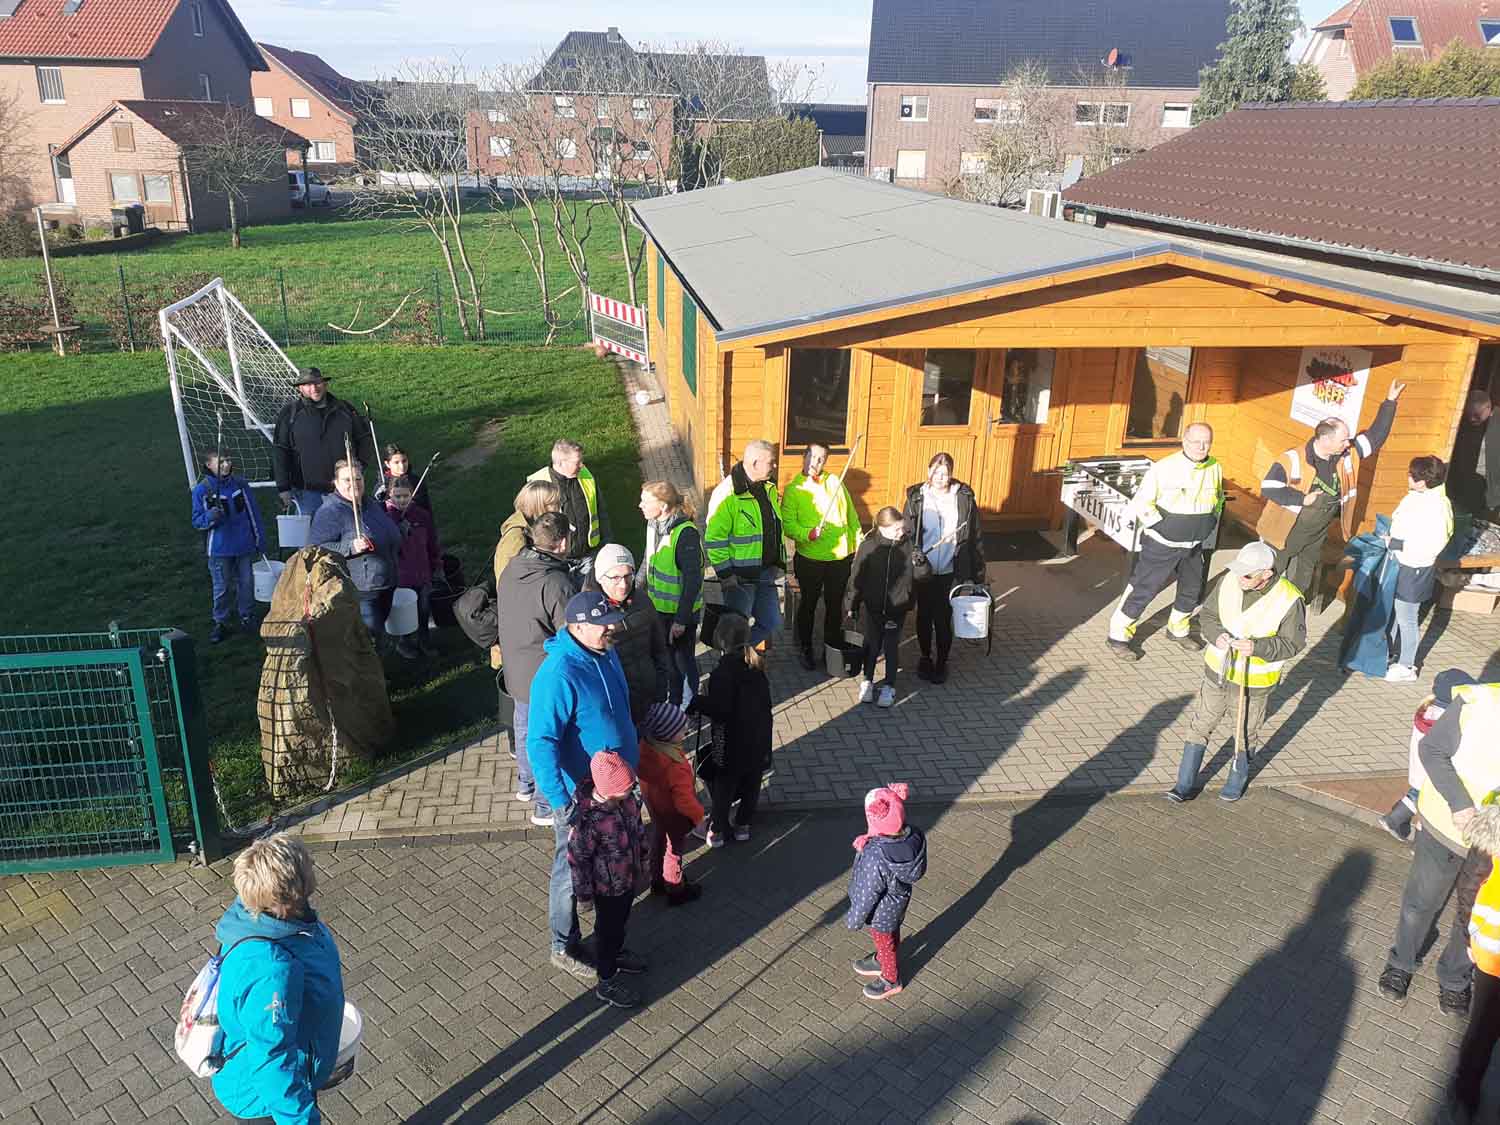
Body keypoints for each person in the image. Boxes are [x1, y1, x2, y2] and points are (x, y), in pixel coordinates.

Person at [528, 591, 642, 982]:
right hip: (581, 798)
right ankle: (564, 944)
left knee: (612, 868)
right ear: (576, 627)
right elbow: (539, 742)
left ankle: (607, 942)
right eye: (602, 622)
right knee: (569, 868)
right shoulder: (558, 673)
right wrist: (563, 804)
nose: (611, 627)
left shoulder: (604, 650)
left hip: (616, 789)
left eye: (611, 618)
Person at [1378, 677, 1500, 1016]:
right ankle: (1401, 962)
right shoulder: (1478, 703)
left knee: (1474, 915)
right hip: (1446, 825)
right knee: (1420, 904)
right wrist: (1460, 804)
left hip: (1494, 847)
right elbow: (1431, 749)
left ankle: (1455, 980)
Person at [209, 832, 344, 1125]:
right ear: (289, 894)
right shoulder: (272, 971)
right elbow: (271, 1061)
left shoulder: (269, 918)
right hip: (267, 1102)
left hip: (291, 1078)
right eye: (306, 865)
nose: (312, 867)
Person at [1165, 541, 1306, 805]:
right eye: (1239, 570)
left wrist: (1258, 647)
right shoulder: (1230, 581)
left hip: (1253, 682)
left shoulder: (1289, 598)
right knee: (1200, 724)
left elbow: (1294, 644)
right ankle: (1183, 785)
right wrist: (1215, 635)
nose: (1240, 577)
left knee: (1244, 732)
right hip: (1217, 670)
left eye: (1248, 574)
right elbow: (1208, 615)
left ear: (1266, 573)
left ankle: (1236, 782)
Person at [1257, 380, 1405, 594]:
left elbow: (1375, 438)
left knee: (1299, 585)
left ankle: (1291, 619)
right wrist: (1301, 499)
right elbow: (1269, 487)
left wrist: (1390, 402)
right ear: (1325, 440)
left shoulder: (1346, 455)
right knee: (1268, 579)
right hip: (1284, 532)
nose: (1348, 443)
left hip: (1316, 534)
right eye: (1344, 439)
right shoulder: (1293, 458)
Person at [1106, 423, 1224, 661]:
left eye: (1206, 442)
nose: (1201, 447)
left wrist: (1211, 521)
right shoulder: (1165, 468)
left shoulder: (1215, 467)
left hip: (1194, 544)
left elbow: (1218, 498)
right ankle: (1118, 637)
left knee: (1191, 589)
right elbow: (1142, 503)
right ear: (1184, 441)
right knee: (1143, 589)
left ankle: (1178, 630)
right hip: (1162, 543)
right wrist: (1164, 528)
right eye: (1195, 441)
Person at [495, 511, 578, 826]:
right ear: (561, 543)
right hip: (544, 675)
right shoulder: (555, 582)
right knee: (547, 739)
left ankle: (525, 785)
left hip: (516, 667)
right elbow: (571, 634)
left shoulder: (514, 567)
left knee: (524, 726)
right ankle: (545, 806)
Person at [567, 750, 651, 1009]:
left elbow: (638, 831)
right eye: (627, 787)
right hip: (606, 888)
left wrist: (645, 861)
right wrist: (584, 896)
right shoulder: (588, 821)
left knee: (621, 922)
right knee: (608, 931)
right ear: (610, 790)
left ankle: (616, 952)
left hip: (627, 879)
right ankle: (606, 979)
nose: (633, 790)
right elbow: (577, 861)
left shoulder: (627, 803)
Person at [690, 613, 772, 848]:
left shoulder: (721, 674)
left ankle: (717, 830)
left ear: (720, 641)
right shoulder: (757, 667)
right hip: (758, 740)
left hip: (729, 744)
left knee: (724, 786)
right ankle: (743, 825)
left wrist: (697, 702)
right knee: (752, 783)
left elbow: (720, 710)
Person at [902, 452, 983, 684]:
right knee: (924, 616)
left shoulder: (963, 498)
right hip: (924, 570)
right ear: (929, 471)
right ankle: (925, 656)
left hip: (950, 569)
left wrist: (976, 575)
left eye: (944, 473)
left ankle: (942, 661)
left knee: (943, 618)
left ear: (951, 474)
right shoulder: (916, 497)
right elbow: (906, 533)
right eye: (936, 472)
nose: (940, 477)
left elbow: (975, 537)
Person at [845, 783, 927, 1001]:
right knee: (892, 933)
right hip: (898, 901)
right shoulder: (913, 836)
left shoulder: (875, 854)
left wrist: (854, 919)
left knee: (884, 940)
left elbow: (868, 892)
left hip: (881, 911)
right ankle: (882, 958)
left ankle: (891, 979)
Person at [782, 443, 860, 672]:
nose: (816, 463)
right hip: (811, 558)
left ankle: (831, 648)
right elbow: (788, 525)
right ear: (804, 456)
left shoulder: (835, 482)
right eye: (812, 457)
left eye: (821, 459)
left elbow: (852, 515)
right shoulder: (794, 489)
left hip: (839, 558)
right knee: (808, 604)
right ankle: (805, 647)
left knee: (834, 605)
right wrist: (807, 534)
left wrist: (858, 543)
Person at [308, 457, 401, 642]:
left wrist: (399, 532)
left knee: (378, 633)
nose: (354, 484)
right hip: (362, 589)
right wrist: (350, 547)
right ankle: (370, 670)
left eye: (358, 478)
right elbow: (316, 547)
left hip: (386, 582)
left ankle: (377, 666)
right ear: (335, 483)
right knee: (369, 639)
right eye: (347, 480)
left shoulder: (369, 504)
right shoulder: (330, 511)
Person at [1379, 670, 1476, 843]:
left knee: (1417, 795)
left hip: (1420, 770)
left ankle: (1396, 820)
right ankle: (1399, 823)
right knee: (1428, 806)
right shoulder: (1448, 721)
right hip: (1433, 774)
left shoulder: (1427, 711)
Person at [706, 439, 785, 648]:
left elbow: (773, 527)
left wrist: (778, 561)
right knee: (735, 628)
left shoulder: (767, 487)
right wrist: (725, 574)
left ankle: (739, 655)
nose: (775, 466)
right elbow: (714, 541)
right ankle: (732, 666)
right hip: (739, 578)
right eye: (772, 462)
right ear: (755, 463)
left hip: (766, 572)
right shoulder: (727, 494)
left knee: (771, 622)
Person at [1384, 455, 1455, 682]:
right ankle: (1390, 653)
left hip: (1415, 567)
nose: (1408, 476)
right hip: (1402, 562)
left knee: (1407, 618)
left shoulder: (1438, 507)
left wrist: (1394, 543)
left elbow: (1432, 545)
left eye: (1411, 474)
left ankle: (1407, 666)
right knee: (1396, 613)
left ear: (1422, 481)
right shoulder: (1418, 496)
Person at [272, 367, 373, 517]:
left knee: (350, 536)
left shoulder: (344, 409)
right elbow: (280, 450)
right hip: (306, 493)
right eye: (307, 384)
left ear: (325, 384)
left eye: (317, 383)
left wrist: (359, 468)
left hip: (345, 489)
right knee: (313, 538)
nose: (314, 388)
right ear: (300, 388)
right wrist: (283, 487)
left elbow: (364, 439)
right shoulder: (289, 413)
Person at [1453, 800, 1500, 1124]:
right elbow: (1469, 887)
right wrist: (1468, 938)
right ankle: (1464, 1089)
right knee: (1483, 1031)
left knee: (1483, 1030)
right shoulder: (1493, 835)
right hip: (1494, 957)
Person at [190, 447, 265, 645]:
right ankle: (220, 621)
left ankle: (247, 615)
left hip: (244, 544)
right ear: (208, 465)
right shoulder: (202, 490)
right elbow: (197, 521)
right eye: (220, 461)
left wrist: (259, 538)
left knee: (246, 583)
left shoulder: (240, 484)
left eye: (228, 460)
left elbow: (252, 513)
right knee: (221, 586)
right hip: (219, 549)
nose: (226, 464)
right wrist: (210, 516)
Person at [639, 480, 704, 706]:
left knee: (683, 663)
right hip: (659, 611)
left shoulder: (685, 534)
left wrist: (681, 620)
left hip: (679, 615)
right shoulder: (653, 524)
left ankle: (688, 707)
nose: (640, 505)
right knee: (668, 662)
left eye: (646, 501)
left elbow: (693, 580)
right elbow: (648, 562)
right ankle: (674, 704)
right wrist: (632, 593)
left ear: (664, 506)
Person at [844, 506, 914, 709]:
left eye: (902, 528)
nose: (901, 533)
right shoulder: (868, 547)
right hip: (873, 606)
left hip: (897, 607)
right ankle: (867, 680)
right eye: (896, 530)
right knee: (872, 644)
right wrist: (852, 604)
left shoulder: (908, 546)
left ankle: (889, 686)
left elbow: (921, 576)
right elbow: (856, 578)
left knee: (891, 647)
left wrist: (922, 564)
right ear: (882, 528)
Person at [635, 702, 705, 906]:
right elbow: (685, 801)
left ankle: (656, 880)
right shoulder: (675, 766)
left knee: (658, 841)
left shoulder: (645, 748)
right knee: (674, 851)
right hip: (674, 815)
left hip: (656, 809)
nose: (685, 731)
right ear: (667, 734)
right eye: (681, 729)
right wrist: (699, 817)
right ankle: (675, 888)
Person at [590, 544, 670, 722]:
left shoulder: (643, 601)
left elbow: (659, 649)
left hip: (650, 700)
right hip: (617, 710)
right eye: (615, 577)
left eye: (628, 576)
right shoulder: (590, 615)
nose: (623, 584)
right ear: (601, 578)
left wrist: (661, 689)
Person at [383, 474, 441, 660]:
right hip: (401, 576)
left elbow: (432, 542)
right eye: (397, 496)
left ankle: (424, 640)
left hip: (422, 572)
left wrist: (436, 564)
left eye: (405, 496)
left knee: (423, 609)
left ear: (412, 495)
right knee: (405, 611)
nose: (401, 500)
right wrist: (397, 531)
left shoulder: (421, 516)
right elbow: (386, 549)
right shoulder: (386, 519)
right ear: (389, 496)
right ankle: (405, 642)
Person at [528, 438, 609, 562]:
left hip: (589, 555)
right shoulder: (538, 484)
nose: (582, 465)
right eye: (577, 462)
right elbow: (531, 526)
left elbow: (601, 511)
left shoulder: (585, 476)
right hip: (556, 559)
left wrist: (608, 543)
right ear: (561, 463)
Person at [1449, 388, 1500, 518]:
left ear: (1488, 407)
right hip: (1468, 487)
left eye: (1476, 415)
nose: (1472, 419)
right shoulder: (1467, 425)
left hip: (1492, 491)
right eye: (1469, 414)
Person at [374, 442, 433, 515]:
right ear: (387, 464)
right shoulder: (382, 486)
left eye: (404, 461)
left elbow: (426, 507)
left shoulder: (415, 481)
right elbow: (378, 513)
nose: (402, 466)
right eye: (396, 462)